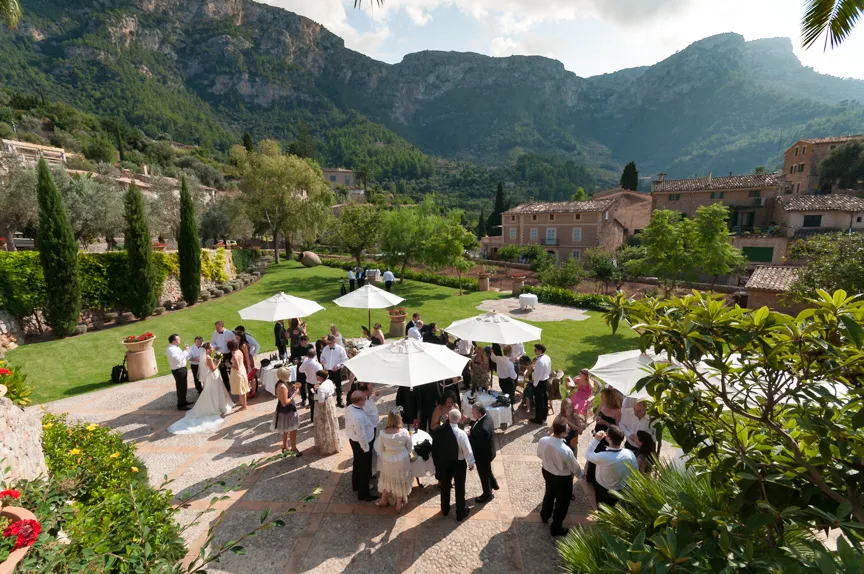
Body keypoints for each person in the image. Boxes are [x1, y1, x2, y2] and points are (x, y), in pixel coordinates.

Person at [168, 343, 235, 434]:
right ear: (207, 349)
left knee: (213, 391)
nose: (212, 349)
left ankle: (217, 404)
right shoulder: (208, 358)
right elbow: (213, 368)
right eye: (211, 348)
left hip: (209, 377)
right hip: (213, 376)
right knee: (215, 391)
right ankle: (216, 406)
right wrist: (218, 360)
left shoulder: (204, 357)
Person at [537, 420, 582, 537]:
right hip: (562, 479)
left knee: (549, 494)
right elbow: (574, 467)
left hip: (547, 472)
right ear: (562, 434)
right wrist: (581, 475)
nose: (568, 431)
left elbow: (539, 454)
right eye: (567, 430)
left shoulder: (543, 440)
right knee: (562, 503)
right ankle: (556, 527)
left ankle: (545, 515)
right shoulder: (565, 450)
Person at [432, 409, 475, 521]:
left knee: (445, 486)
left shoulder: (439, 430)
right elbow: (467, 450)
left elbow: (435, 448)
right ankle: (461, 512)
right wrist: (471, 463)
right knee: (460, 487)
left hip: (444, 463)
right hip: (458, 463)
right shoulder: (461, 434)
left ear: (448, 417)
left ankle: (445, 509)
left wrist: (437, 464)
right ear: (460, 419)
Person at [585, 425, 637, 508]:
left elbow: (588, 454)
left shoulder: (604, 456)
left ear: (608, 438)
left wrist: (596, 439)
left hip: (603, 490)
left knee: (602, 511)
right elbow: (635, 471)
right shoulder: (629, 454)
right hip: (622, 489)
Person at [374, 410, 413, 512]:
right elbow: (409, 448)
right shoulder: (404, 432)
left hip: (388, 459)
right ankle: (398, 505)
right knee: (400, 480)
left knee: (387, 479)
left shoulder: (382, 433)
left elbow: (381, 449)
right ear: (399, 419)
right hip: (401, 460)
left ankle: (383, 499)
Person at [585, 387, 623, 485]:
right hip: (598, 433)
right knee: (594, 452)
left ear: (609, 398)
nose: (601, 397)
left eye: (603, 396)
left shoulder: (617, 411)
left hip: (608, 436)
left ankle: (600, 478)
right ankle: (591, 476)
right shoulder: (602, 405)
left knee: (602, 455)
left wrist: (605, 423)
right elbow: (596, 415)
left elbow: (618, 427)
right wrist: (596, 417)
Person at [345, 390, 377, 501]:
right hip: (361, 443)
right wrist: (366, 448)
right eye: (364, 398)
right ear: (359, 400)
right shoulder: (357, 417)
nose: (365, 400)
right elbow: (361, 435)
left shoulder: (350, 407)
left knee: (357, 462)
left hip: (353, 440)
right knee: (364, 468)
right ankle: (364, 494)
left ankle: (356, 485)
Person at [469, 404, 498, 503]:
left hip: (482, 456)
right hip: (488, 452)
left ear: (479, 413)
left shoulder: (483, 429)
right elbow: (477, 424)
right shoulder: (487, 416)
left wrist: (468, 436)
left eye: (473, 412)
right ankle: (494, 484)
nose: (472, 413)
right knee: (487, 470)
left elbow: (477, 444)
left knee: (483, 475)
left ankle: (487, 494)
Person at [273, 368, 301, 456]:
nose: (290, 375)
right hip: (287, 411)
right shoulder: (282, 386)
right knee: (292, 429)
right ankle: (293, 448)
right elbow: (285, 402)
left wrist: (291, 390)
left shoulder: (281, 383)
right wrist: (294, 394)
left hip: (284, 410)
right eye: (288, 374)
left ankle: (285, 446)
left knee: (286, 429)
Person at [313, 369, 342, 455]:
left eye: (317, 376)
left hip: (323, 406)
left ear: (320, 377)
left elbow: (320, 401)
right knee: (331, 421)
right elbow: (332, 391)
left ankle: (326, 446)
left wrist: (315, 393)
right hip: (330, 401)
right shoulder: (329, 381)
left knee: (324, 423)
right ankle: (334, 443)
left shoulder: (320, 388)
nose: (316, 378)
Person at [166, 334, 194, 411]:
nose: (180, 340)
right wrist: (185, 351)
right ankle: (181, 405)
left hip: (181, 368)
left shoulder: (175, 348)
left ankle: (184, 401)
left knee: (184, 386)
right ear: (174, 341)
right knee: (181, 387)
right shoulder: (171, 350)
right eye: (178, 339)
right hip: (179, 370)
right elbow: (178, 359)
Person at [320, 335, 349, 407]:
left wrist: (338, 366)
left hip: (336, 371)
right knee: (326, 386)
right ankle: (326, 401)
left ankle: (339, 401)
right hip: (327, 371)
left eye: (330, 343)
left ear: (334, 341)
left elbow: (345, 360)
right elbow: (322, 356)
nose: (329, 345)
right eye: (328, 343)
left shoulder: (340, 349)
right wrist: (322, 360)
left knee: (338, 386)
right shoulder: (325, 348)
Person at [211, 321, 235, 392]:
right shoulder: (215, 333)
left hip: (228, 354)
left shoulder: (229, 333)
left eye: (218, 327)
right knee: (222, 370)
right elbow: (212, 342)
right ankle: (227, 387)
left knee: (231, 370)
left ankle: (233, 385)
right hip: (219, 355)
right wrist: (215, 346)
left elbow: (235, 342)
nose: (216, 329)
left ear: (222, 326)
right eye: (216, 327)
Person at [299, 348, 323, 421]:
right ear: (315, 355)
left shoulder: (305, 363)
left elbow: (300, 370)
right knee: (318, 401)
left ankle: (313, 417)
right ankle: (318, 417)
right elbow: (321, 376)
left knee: (312, 400)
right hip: (317, 385)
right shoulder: (317, 364)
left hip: (310, 385)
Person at [531, 343, 552, 424]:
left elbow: (537, 376)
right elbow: (549, 369)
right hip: (546, 380)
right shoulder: (547, 357)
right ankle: (544, 416)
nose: (534, 351)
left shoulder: (539, 361)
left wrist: (535, 385)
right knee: (544, 400)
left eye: (535, 350)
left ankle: (538, 419)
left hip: (540, 383)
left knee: (539, 402)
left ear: (540, 351)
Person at [227, 339, 249, 411]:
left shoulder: (234, 355)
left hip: (238, 373)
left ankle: (244, 405)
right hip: (242, 370)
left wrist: (229, 365)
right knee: (241, 388)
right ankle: (241, 401)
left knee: (241, 389)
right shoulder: (239, 351)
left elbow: (236, 367)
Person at [235, 332, 258, 398]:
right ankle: (252, 392)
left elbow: (247, 356)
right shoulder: (241, 343)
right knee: (250, 377)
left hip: (247, 361)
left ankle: (252, 392)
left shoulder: (243, 345)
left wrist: (248, 366)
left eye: (237, 337)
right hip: (245, 361)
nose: (236, 338)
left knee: (249, 376)